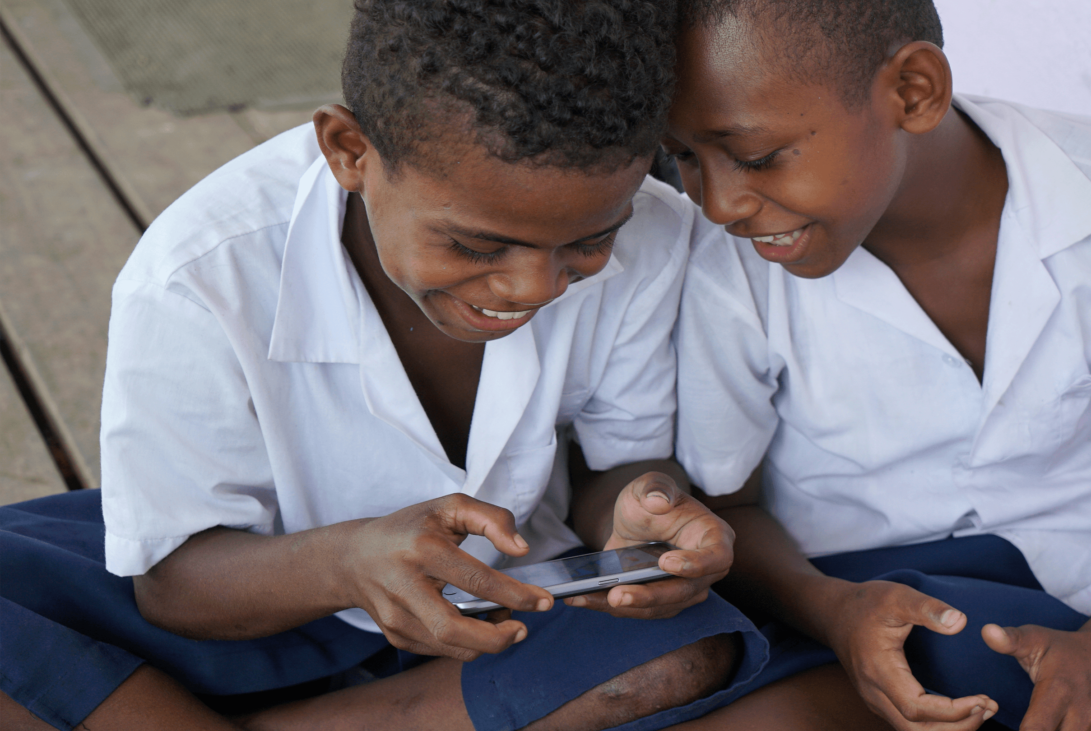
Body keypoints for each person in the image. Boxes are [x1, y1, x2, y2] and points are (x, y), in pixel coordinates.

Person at [0, 2, 771, 730]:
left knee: (685, 651)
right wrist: (344, 563)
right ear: (350, 151)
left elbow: (621, 466)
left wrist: (641, 513)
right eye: (474, 245)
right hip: (254, 603)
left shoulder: (656, 239)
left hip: (508, 610)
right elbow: (171, 583)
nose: (533, 286)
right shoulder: (201, 274)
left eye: (588, 242)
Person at [665, 1, 1091, 729]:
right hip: (871, 612)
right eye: (684, 155)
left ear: (913, 91)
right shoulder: (726, 273)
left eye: (753, 156)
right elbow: (725, 506)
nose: (718, 204)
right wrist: (834, 611)